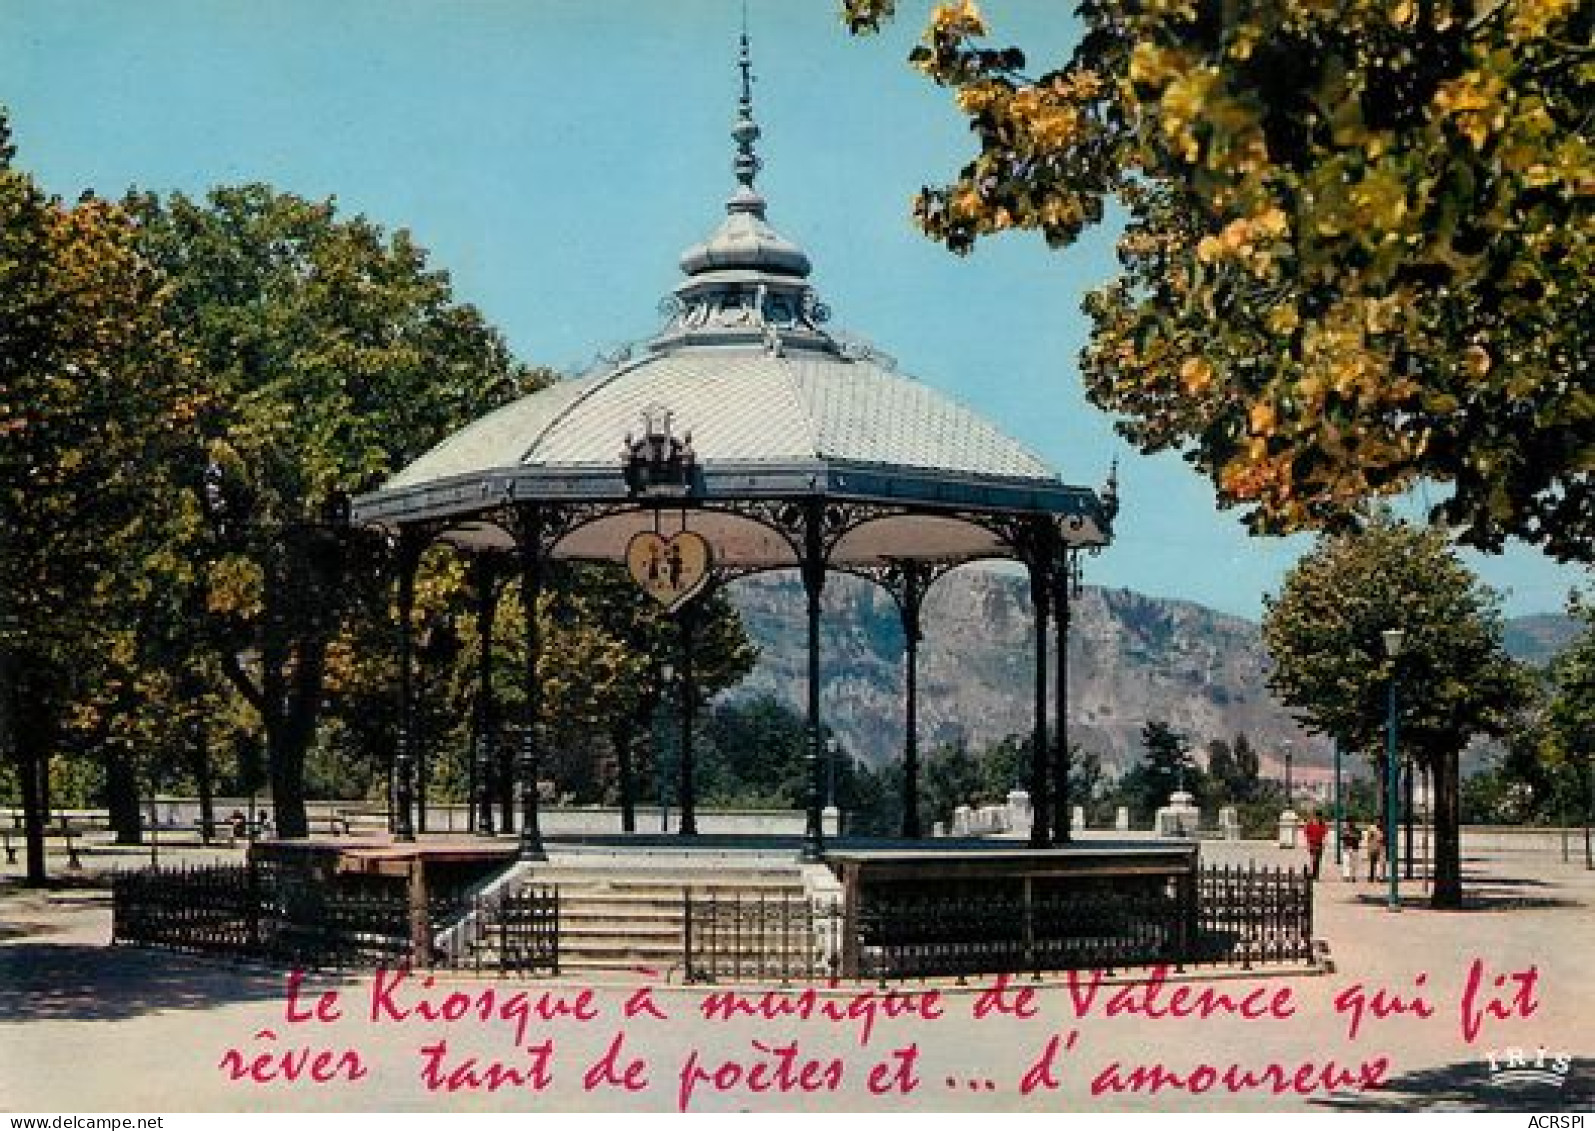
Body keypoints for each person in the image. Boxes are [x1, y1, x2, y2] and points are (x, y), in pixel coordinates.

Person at [1303, 811, 1329, 880]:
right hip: (1312, 843)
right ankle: (1312, 873)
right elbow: (1306, 833)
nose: (1318, 818)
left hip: (1319, 844)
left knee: (1318, 860)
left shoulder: (1323, 825)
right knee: (1313, 859)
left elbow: (1324, 834)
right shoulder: (1310, 824)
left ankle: (1315, 874)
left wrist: (1323, 843)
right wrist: (1309, 843)